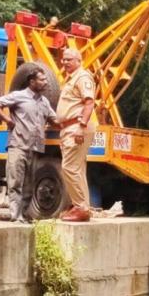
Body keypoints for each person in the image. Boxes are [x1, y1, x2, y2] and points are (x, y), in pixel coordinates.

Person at [0, 67, 60, 223]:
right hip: (18, 145)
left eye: (46, 80)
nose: (46, 82)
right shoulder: (18, 96)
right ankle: (16, 216)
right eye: (42, 80)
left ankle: (25, 215)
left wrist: (74, 121)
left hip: (35, 148)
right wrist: (7, 120)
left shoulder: (45, 102)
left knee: (29, 184)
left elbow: (55, 121)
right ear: (32, 81)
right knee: (15, 182)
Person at [56, 48, 96, 222]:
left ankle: (80, 207)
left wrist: (81, 126)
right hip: (69, 127)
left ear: (79, 60)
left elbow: (89, 102)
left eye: (69, 59)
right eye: (63, 60)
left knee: (69, 168)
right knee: (77, 170)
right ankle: (82, 206)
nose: (65, 62)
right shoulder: (71, 79)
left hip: (76, 127)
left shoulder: (82, 77)